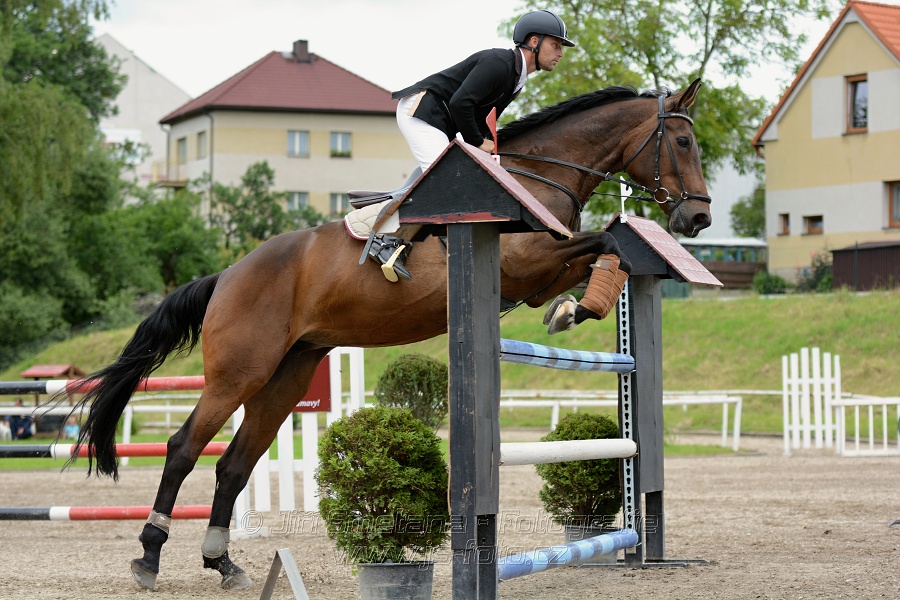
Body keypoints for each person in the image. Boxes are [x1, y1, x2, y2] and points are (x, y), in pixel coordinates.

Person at [365, 9, 575, 282]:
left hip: (442, 120)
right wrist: (477, 142)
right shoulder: (499, 63)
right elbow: (460, 103)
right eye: (555, 45)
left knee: (458, 172)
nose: (560, 53)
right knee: (446, 178)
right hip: (422, 111)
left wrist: (490, 150)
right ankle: (384, 240)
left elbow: (481, 117)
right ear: (534, 42)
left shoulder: (516, 79)